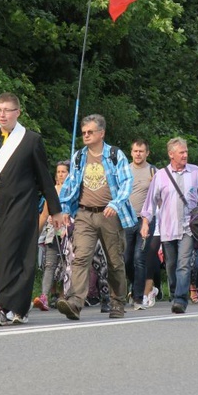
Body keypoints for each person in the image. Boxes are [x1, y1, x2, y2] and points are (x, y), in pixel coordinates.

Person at [0, 93, 62, 326]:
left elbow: (44, 178)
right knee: (7, 258)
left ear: (17, 112)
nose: (2, 114)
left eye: (7, 110)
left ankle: (1, 307)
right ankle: (19, 308)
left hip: (21, 207)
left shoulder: (30, 140)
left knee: (12, 255)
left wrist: (55, 210)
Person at [57, 114, 135, 321]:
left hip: (109, 214)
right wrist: (65, 207)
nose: (86, 135)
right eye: (83, 132)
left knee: (115, 261)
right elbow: (71, 184)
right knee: (80, 257)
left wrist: (115, 203)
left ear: (102, 133)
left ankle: (117, 302)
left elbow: (127, 182)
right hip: (84, 213)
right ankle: (75, 302)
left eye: (90, 132)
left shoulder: (115, 155)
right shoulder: (79, 157)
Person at [140, 137, 198, 313]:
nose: (185, 155)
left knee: (184, 264)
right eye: (181, 152)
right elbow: (150, 202)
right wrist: (145, 222)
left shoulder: (195, 172)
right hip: (167, 228)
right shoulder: (160, 176)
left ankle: (180, 300)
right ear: (171, 154)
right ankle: (176, 291)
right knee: (171, 265)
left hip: (188, 227)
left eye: (186, 152)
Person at [124, 139, 156, 310]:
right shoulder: (125, 170)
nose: (138, 154)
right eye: (135, 151)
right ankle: (133, 285)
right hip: (127, 220)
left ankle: (138, 298)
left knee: (139, 259)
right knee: (126, 259)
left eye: (141, 151)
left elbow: (159, 198)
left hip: (146, 221)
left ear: (147, 153)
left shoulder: (153, 172)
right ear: (131, 152)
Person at [34, 160, 70, 311]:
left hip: (69, 232)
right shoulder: (52, 191)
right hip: (52, 232)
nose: (61, 174)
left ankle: (65, 296)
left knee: (68, 265)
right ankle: (44, 296)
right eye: (59, 172)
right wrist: (35, 233)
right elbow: (44, 213)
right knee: (50, 264)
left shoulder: (74, 191)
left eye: (64, 172)